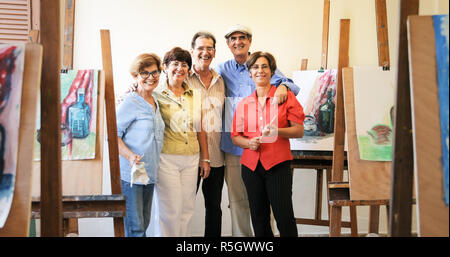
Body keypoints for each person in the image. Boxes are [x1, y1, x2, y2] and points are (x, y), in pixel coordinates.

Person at [215, 24, 300, 237]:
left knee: (278, 211)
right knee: (244, 206)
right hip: (242, 153)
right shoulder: (223, 70)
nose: (237, 42)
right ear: (228, 44)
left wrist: (284, 86)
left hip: (274, 158)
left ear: (249, 40)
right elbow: (201, 78)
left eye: (242, 37)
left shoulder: (265, 69)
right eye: (232, 38)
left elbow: (289, 84)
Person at [231, 51, 304, 237]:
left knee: (284, 216)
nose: (260, 71)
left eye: (264, 66)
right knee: (258, 217)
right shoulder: (243, 104)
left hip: (278, 164)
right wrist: (248, 143)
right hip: (251, 167)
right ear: (249, 72)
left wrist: (277, 131)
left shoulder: (286, 97)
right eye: (255, 67)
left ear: (272, 71)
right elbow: (235, 137)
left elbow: (299, 131)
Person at [155, 47, 211, 237]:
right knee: (170, 211)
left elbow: (200, 128)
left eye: (184, 64)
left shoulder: (195, 94)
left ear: (189, 69)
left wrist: (206, 158)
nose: (180, 68)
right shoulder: (155, 93)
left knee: (187, 210)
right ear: (165, 67)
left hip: (192, 158)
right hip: (166, 158)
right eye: (175, 64)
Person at [116, 53, 165, 237]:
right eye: (144, 73)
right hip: (132, 174)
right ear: (135, 76)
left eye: (155, 72)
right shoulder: (129, 101)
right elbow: (112, 135)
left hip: (149, 172)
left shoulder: (157, 100)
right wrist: (130, 156)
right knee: (135, 227)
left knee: (143, 224)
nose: (151, 77)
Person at [187, 31, 226, 237]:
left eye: (209, 48)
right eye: (200, 48)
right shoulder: (181, 77)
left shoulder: (222, 79)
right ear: (192, 51)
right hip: (190, 156)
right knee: (183, 208)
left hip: (216, 156)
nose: (205, 52)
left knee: (214, 207)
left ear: (214, 52)